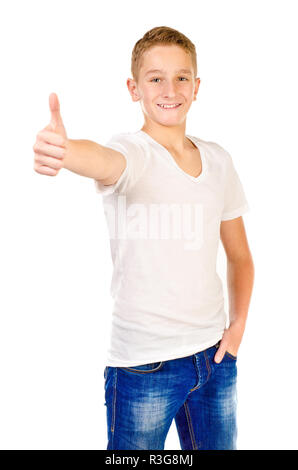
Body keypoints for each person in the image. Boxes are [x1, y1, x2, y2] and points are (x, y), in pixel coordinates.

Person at [33, 25, 254, 450]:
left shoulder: (219, 160)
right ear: (134, 88)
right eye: (155, 78)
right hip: (144, 368)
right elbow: (103, 160)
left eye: (181, 77)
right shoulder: (132, 152)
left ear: (197, 86)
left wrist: (238, 326)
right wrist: (65, 150)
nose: (169, 88)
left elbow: (240, 255)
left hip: (214, 359)